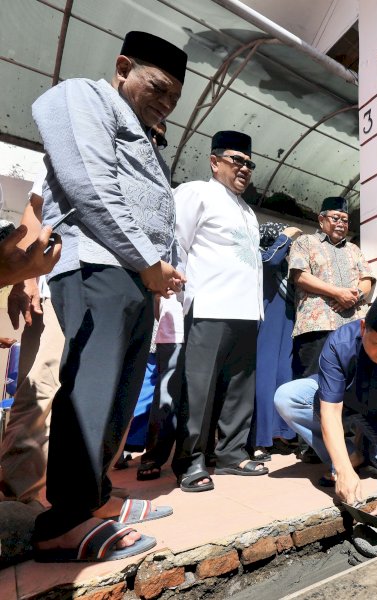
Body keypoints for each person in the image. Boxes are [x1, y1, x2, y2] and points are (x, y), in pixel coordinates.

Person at [30, 30, 187, 562]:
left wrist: (160, 270)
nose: (166, 103)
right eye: (158, 87)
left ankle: (94, 499)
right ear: (123, 68)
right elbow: (89, 183)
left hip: (134, 275)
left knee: (119, 395)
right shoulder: (81, 95)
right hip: (98, 264)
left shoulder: (142, 130)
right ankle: (64, 522)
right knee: (91, 391)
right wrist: (148, 262)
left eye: (174, 97)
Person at [275, 291, 377, 532]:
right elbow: (330, 412)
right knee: (287, 397)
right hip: (343, 406)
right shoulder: (340, 343)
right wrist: (343, 469)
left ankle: (364, 449)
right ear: (364, 328)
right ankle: (349, 455)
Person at [172, 130, 268, 493]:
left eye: (249, 164)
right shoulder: (196, 193)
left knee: (239, 389)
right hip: (209, 306)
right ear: (214, 162)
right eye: (236, 160)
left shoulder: (248, 211)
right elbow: (177, 243)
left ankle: (231, 454)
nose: (244, 168)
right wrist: (175, 297)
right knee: (199, 389)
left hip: (247, 311)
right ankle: (190, 460)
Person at [1, 166, 64, 504]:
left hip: (109, 295)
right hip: (57, 291)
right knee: (38, 391)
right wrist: (25, 279)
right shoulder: (68, 144)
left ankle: (70, 495)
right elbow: (35, 211)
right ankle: (16, 498)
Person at [288, 197, 375, 378]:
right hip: (317, 326)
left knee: (353, 379)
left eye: (345, 220)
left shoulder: (354, 249)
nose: (341, 224)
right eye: (335, 218)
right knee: (313, 381)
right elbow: (300, 276)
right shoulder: (305, 242)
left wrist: (354, 297)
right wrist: (337, 293)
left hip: (354, 326)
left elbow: (367, 279)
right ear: (321, 219)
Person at [248, 222, 303, 461]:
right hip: (267, 323)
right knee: (265, 379)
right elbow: (269, 262)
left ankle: (280, 434)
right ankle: (259, 439)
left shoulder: (287, 265)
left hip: (288, 323)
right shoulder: (262, 257)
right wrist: (286, 236)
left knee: (284, 377)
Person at [136, 294, 184, 481]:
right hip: (172, 328)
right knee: (166, 397)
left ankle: (202, 451)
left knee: (201, 394)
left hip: (207, 325)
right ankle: (154, 455)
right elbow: (156, 295)